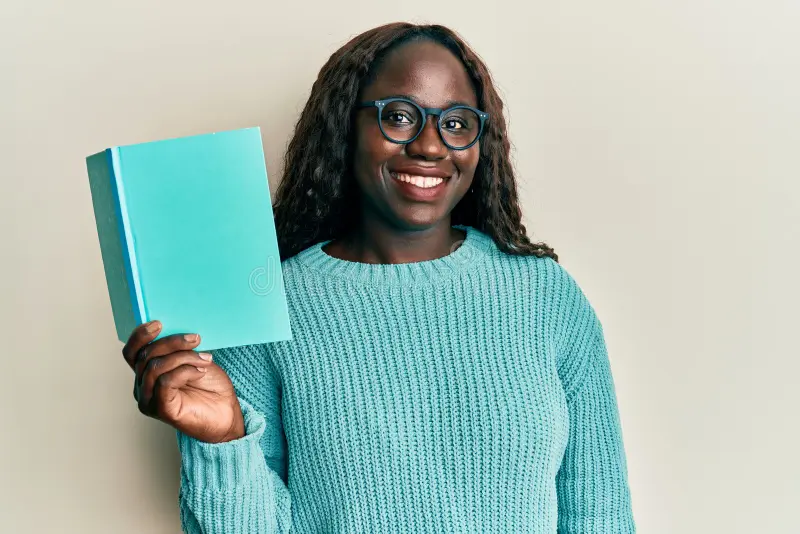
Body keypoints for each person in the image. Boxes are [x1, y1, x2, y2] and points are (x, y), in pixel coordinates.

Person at [122, 22, 636, 534]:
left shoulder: (544, 297)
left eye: (456, 123)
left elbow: (602, 517)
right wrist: (222, 439)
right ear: (346, 126)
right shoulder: (269, 304)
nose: (431, 146)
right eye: (399, 117)